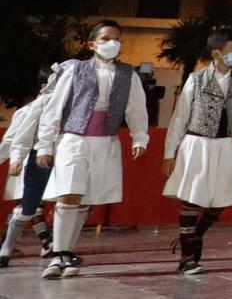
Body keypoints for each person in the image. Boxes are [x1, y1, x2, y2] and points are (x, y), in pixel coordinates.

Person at [34, 20, 148, 280]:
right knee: (68, 193)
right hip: (74, 140)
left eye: (117, 38)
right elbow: (54, 108)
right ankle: (57, 254)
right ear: (92, 44)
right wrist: (45, 144)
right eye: (106, 38)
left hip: (105, 141)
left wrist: (139, 138)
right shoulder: (76, 70)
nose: (113, 43)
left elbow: (136, 109)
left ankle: (67, 252)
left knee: (85, 199)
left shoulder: (128, 74)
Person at [162, 30, 232, 274]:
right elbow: (180, 116)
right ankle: (188, 257)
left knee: (219, 201)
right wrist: (169, 152)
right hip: (198, 144)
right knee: (193, 198)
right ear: (217, 53)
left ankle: (194, 236)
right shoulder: (196, 79)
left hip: (226, 145)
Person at [0, 65, 61, 267]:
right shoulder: (30, 109)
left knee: (67, 202)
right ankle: (8, 246)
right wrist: (14, 159)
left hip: (63, 159)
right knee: (29, 206)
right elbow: (12, 141)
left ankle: (55, 246)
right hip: (33, 160)